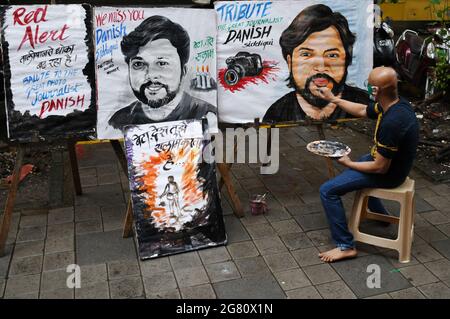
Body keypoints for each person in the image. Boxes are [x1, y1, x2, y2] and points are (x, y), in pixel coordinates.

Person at [313, 66, 419, 262]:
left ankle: (345, 246)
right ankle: (380, 215)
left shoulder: (392, 123)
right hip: (390, 165)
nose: (368, 88)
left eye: (369, 85)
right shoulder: (396, 105)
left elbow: (380, 167)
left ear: (376, 91)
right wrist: (333, 99)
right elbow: (363, 109)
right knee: (364, 160)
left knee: (328, 191)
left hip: (389, 175)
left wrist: (347, 163)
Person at [108, 15, 216, 132]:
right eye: (139, 64)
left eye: (162, 63)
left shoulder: (208, 117)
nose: (151, 75)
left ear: (183, 71)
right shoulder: (118, 122)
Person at [263, 4, 369, 123]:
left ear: (346, 60)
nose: (320, 67)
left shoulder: (365, 104)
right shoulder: (277, 114)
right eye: (306, 54)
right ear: (289, 62)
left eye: (332, 55)